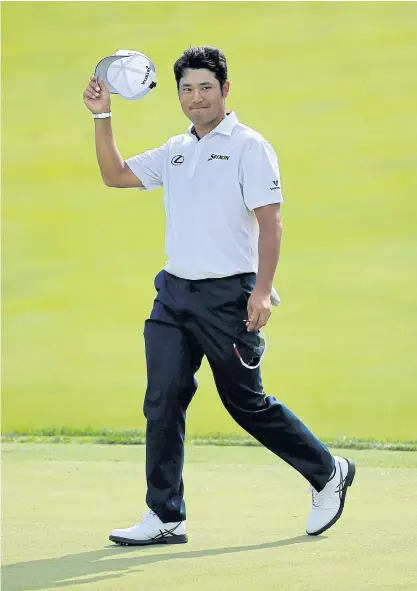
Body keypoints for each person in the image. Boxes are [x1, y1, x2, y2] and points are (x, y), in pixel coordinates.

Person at [83, 46, 355, 546]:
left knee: (245, 404)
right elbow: (115, 174)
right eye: (186, 89)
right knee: (163, 399)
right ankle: (164, 514)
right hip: (173, 296)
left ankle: (328, 472)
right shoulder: (176, 150)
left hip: (229, 296)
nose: (196, 98)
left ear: (225, 90)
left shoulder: (250, 146)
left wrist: (263, 288)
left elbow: (271, 221)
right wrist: (102, 115)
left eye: (206, 87)